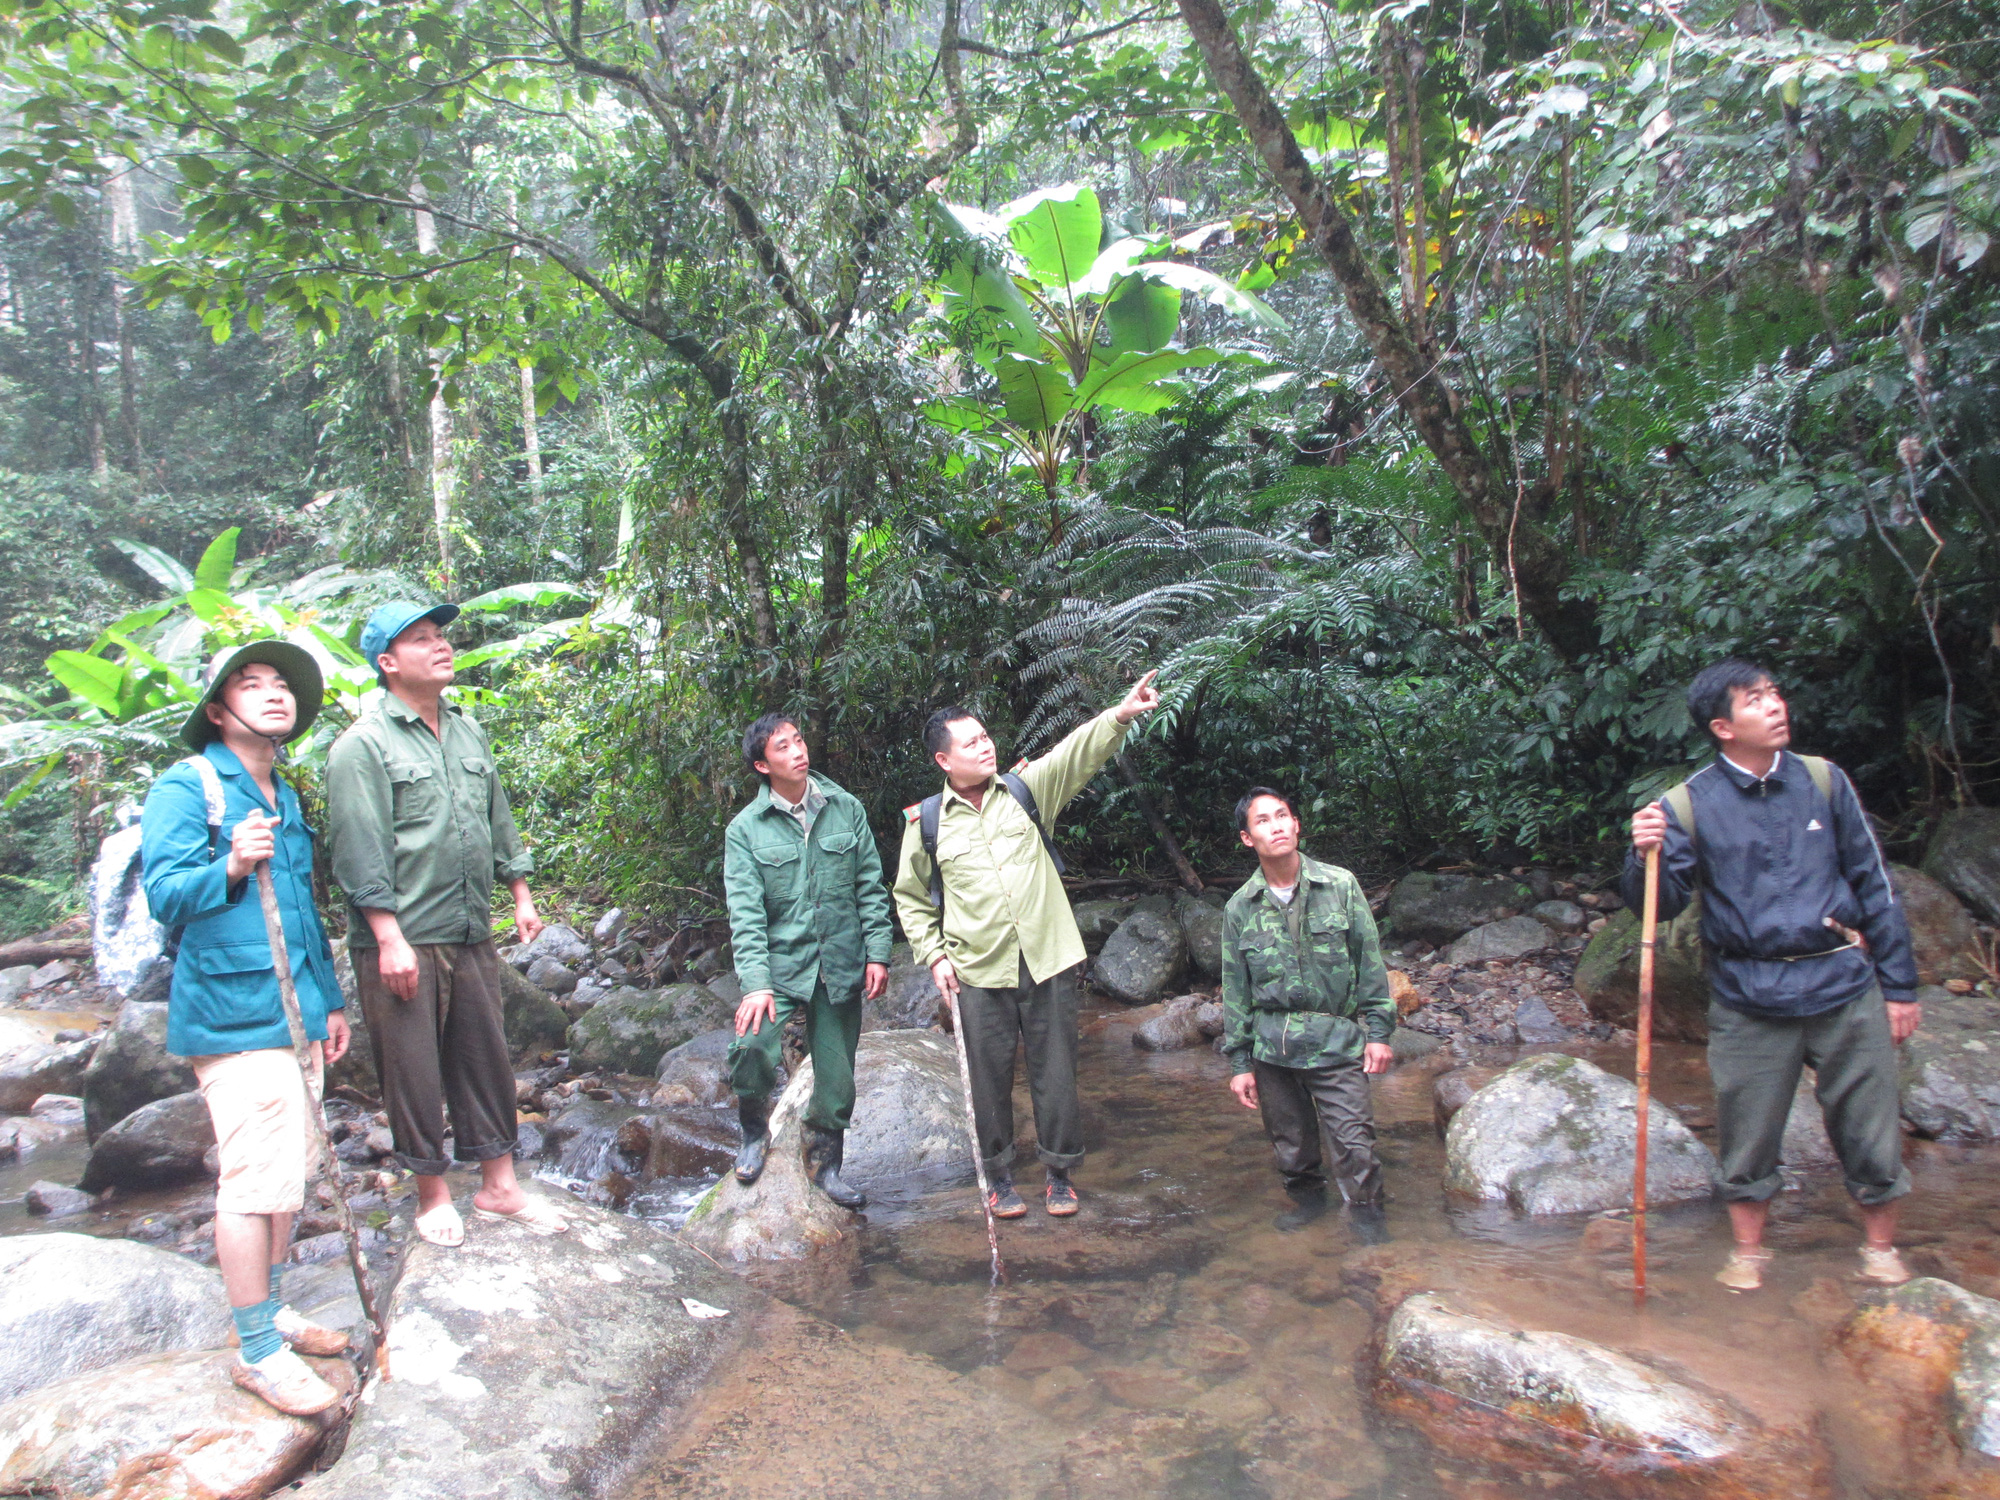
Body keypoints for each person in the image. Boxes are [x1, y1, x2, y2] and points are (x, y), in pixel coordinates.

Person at [1626, 658, 1920, 1293]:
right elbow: (1661, 900)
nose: (1776, 706)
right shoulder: (1688, 804)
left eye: (1774, 695)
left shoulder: (1823, 781)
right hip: (1748, 995)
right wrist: (1642, 849)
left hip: (1841, 982)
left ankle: (1880, 1248)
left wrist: (1899, 987)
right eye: (1756, 701)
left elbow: (1874, 883)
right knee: (1748, 1131)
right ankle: (1751, 1253)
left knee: (1870, 1127)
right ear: (1722, 727)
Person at [140, 641, 353, 1416]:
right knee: (251, 1181)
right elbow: (165, 897)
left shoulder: (283, 792)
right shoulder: (186, 785)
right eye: (251, 684)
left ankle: (274, 1309)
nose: (273, 694)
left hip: (295, 1010)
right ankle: (257, 1350)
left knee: (289, 1178)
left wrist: (330, 1001)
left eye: (282, 686)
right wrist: (227, 865)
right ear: (217, 709)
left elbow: (302, 910)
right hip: (235, 1017)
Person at [326, 602, 567, 1248]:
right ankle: (432, 1194)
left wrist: (519, 890)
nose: (442, 646)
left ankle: (499, 1186)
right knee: (413, 1067)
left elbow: (496, 812)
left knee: (485, 1055)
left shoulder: (467, 731)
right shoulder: (362, 745)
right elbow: (358, 848)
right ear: (387, 663)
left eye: (442, 636)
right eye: (422, 639)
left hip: (468, 926)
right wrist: (387, 938)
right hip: (405, 935)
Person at [892, 672, 1161, 1218]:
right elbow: (911, 897)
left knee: (1056, 1070)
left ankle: (1060, 1174)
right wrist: (936, 955)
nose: (985, 745)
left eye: (985, 737)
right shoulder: (925, 822)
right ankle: (999, 1178)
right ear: (944, 760)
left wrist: (1121, 714)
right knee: (988, 1080)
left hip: (1048, 958)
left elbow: (1074, 754)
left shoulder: (1024, 789)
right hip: (977, 970)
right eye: (970, 743)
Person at [723, 714, 895, 1208]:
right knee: (753, 1046)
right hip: (779, 964)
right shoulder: (745, 830)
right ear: (763, 764)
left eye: (799, 739)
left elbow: (869, 886)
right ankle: (754, 1134)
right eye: (783, 746)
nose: (798, 750)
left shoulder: (845, 808)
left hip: (839, 960)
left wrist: (878, 953)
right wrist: (755, 984)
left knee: (837, 1078)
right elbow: (746, 913)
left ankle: (825, 1165)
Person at [1220, 788, 1395, 1234]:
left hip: (1336, 1043)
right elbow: (1236, 989)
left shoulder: (1340, 886)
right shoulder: (1240, 907)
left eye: (1283, 816)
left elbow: (1368, 960)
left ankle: (1370, 1231)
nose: (1276, 825)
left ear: (1297, 825)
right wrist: (1240, 1063)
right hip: (1273, 1053)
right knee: (1292, 1150)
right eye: (1263, 820)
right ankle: (1310, 1212)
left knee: (1356, 1147)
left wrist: (1379, 1032)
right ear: (1247, 838)